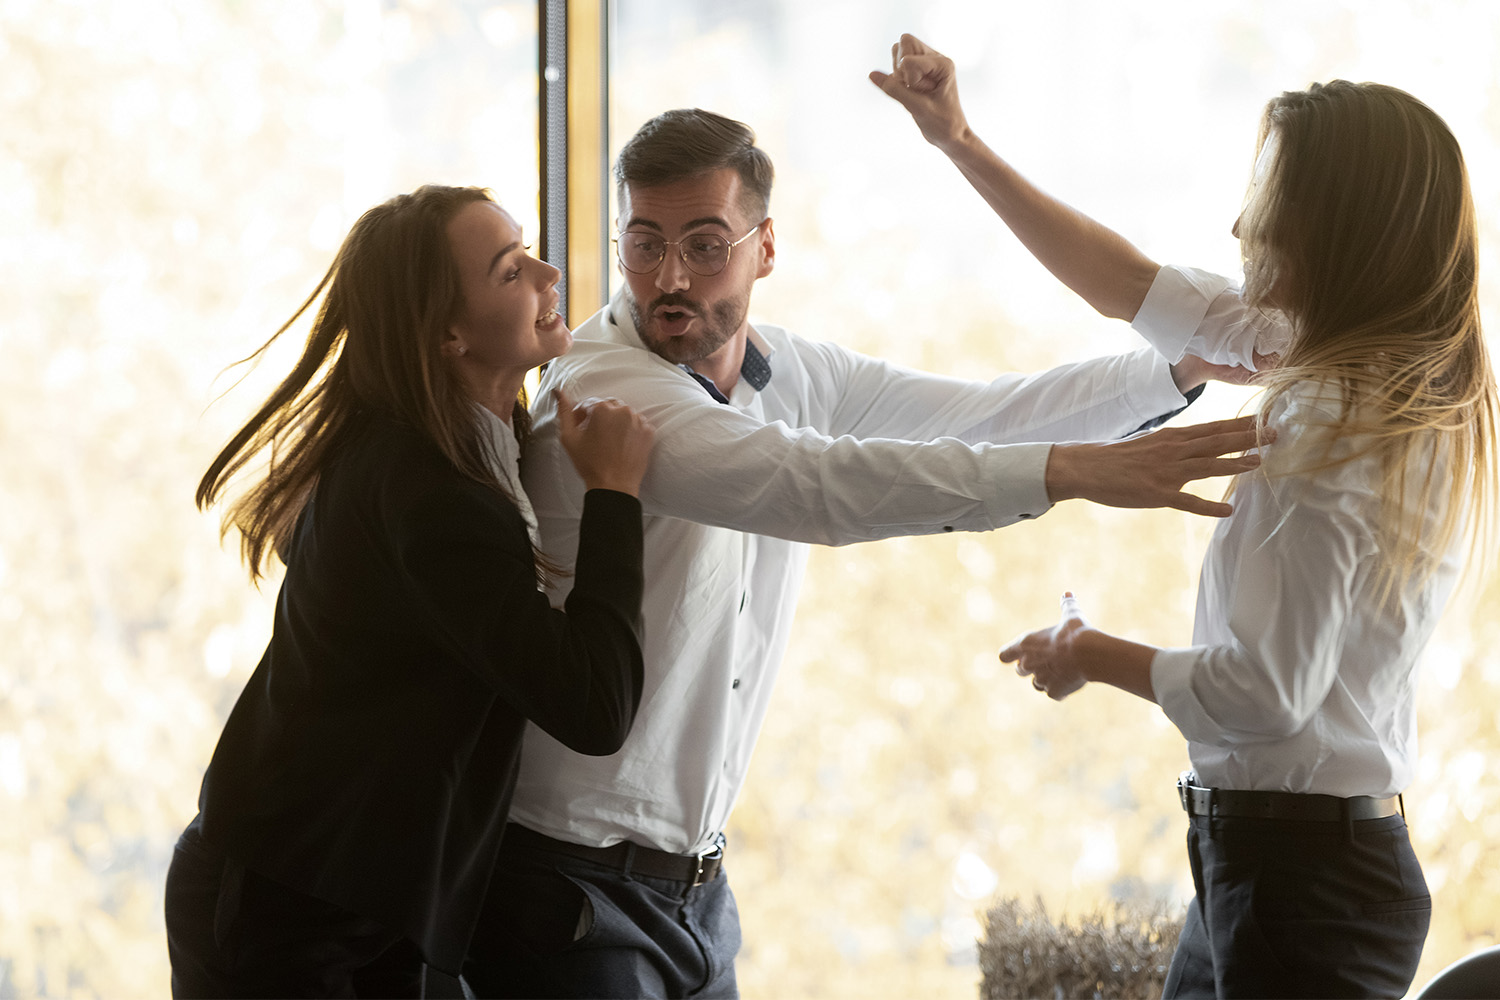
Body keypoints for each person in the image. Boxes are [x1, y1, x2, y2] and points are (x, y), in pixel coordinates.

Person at [460, 105, 1269, 997]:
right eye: (643, 245)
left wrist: (1176, 370)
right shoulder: (603, 383)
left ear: (765, 248)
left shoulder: (793, 373)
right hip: (567, 883)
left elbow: (983, 414)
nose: (669, 278)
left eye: (705, 244)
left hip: (695, 890)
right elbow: (814, 486)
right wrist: (1076, 473)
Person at [874, 31, 1498, 999]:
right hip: (1281, 865)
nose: (1243, 225)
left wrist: (1088, 652)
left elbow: (1267, 693)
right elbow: (1130, 284)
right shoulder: (1373, 380)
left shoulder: (1328, 412)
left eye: (1272, 200)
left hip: (1299, 885)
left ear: (1332, 232)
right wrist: (960, 140)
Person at [164, 185, 656, 996]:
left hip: (353, 900)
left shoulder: (460, 442)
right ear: (447, 335)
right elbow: (593, 704)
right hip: (287, 906)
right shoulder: (430, 492)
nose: (549, 271)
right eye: (510, 271)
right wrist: (614, 493)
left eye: (529, 249)